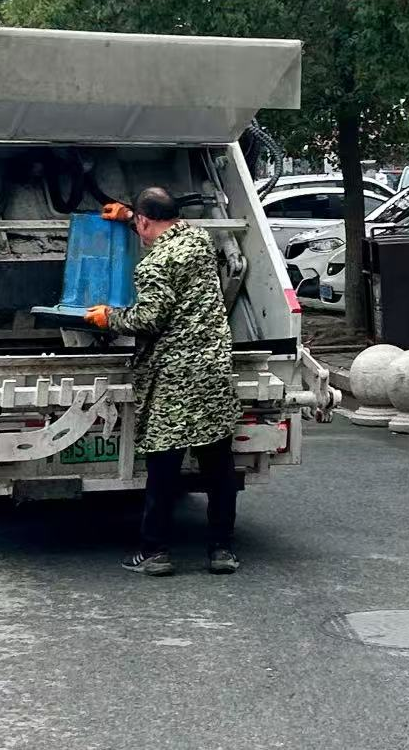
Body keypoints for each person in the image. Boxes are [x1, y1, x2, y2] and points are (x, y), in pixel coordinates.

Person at [84, 186, 241, 577]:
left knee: (164, 467)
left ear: (144, 221)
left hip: (174, 376)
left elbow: (148, 320)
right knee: (218, 465)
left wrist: (109, 317)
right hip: (212, 369)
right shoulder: (199, 241)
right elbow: (173, 226)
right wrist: (129, 216)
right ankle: (221, 550)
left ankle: (155, 552)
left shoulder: (153, 264)